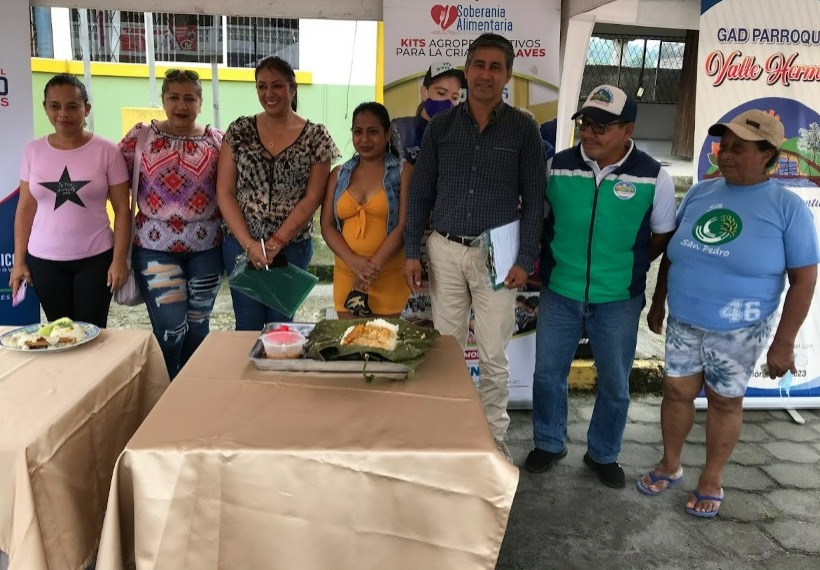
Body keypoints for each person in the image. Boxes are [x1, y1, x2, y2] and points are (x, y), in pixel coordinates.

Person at [638, 110, 819, 516]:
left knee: (723, 402)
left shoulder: (788, 208)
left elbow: (804, 280)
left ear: (768, 154)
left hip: (740, 328)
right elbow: (673, 253)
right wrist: (659, 299)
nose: (727, 154)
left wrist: (784, 343)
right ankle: (670, 463)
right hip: (685, 319)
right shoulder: (701, 193)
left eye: (740, 148)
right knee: (676, 391)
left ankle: (711, 478)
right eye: (724, 146)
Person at [525, 84, 677, 487]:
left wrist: (626, 266)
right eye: (585, 123)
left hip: (618, 299)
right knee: (547, 375)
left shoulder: (654, 176)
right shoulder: (556, 167)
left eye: (601, 126)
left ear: (628, 130)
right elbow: (539, 222)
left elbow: (661, 235)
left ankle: (603, 453)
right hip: (560, 291)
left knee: (614, 383)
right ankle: (548, 442)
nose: (589, 132)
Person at [404, 33, 547, 461]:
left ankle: (492, 440)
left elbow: (535, 198)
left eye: (495, 66)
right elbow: (421, 193)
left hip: (498, 257)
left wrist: (526, 258)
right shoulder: (441, 128)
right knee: (446, 351)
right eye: (479, 65)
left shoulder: (523, 128)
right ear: (467, 71)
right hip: (445, 250)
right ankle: (448, 433)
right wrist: (411, 250)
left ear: (507, 75)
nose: (486, 74)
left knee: (493, 355)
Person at [217, 56, 339, 330]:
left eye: (277, 85)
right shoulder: (239, 131)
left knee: (281, 325)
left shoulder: (316, 137)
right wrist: (249, 245)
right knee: (247, 324)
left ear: (293, 89)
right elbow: (225, 191)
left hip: (291, 247)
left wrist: (276, 242)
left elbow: (313, 197)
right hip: (240, 244)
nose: (269, 93)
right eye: (262, 86)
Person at [119, 68, 224, 378]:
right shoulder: (140, 137)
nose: (181, 105)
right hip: (154, 249)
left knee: (198, 325)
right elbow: (112, 182)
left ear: (200, 103)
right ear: (163, 100)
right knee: (171, 327)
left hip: (207, 249)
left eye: (189, 98)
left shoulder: (218, 141)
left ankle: (190, 386)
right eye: (174, 97)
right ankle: (164, 386)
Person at [9, 73, 130, 328]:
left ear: (87, 109)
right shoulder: (33, 151)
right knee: (60, 333)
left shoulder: (108, 151)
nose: (63, 114)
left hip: (96, 259)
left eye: (72, 106)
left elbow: (122, 209)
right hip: (44, 261)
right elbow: (25, 208)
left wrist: (119, 260)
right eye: (55, 106)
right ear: (45, 108)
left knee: (93, 332)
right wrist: (18, 261)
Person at [321, 102, 410, 318]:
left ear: (387, 134)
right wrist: (354, 263)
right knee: (349, 339)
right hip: (348, 277)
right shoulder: (339, 174)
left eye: (373, 132)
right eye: (358, 132)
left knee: (385, 339)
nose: (364, 139)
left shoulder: (403, 171)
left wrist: (371, 268)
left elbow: (404, 226)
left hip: (387, 277)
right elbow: (327, 226)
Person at [390, 61, 466, 165]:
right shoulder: (401, 128)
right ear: (424, 92)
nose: (448, 102)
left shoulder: (460, 134)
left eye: (455, 97)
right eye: (441, 93)